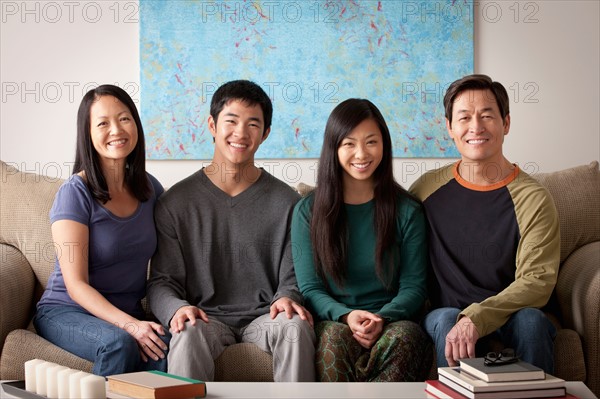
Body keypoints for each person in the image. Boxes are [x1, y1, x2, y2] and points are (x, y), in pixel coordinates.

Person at [147, 79, 316, 382]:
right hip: (205, 318)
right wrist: (177, 309)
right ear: (212, 125)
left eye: (253, 124)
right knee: (185, 332)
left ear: (264, 134)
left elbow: (293, 277)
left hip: (267, 317)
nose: (240, 133)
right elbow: (162, 281)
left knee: (295, 326)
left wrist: (287, 297)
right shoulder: (174, 203)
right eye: (231, 121)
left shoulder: (288, 202)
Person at [410, 74, 559, 373]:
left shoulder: (533, 198)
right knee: (447, 318)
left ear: (506, 123)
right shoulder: (425, 190)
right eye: (464, 117)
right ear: (449, 127)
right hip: (445, 313)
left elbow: (536, 282)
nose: (475, 127)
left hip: (511, 313)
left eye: (487, 116)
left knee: (531, 321)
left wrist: (478, 317)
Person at [291, 98, 432, 382]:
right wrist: (346, 316)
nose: (361, 153)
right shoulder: (308, 211)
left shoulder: (408, 210)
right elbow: (310, 287)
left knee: (406, 338)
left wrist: (383, 317)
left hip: (395, 321)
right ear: (334, 148)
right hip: (335, 320)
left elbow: (415, 286)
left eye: (371, 142)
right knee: (332, 340)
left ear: (384, 145)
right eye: (349, 144)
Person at [34, 84, 169, 376]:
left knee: (164, 343)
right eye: (103, 123)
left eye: (124, 118)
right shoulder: (75, 193)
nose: (116, 130)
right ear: (88, 133)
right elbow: (76, 285)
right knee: (118, 343)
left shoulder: (151, 189)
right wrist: (130, 325)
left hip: (125, 313)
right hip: (66, 311)